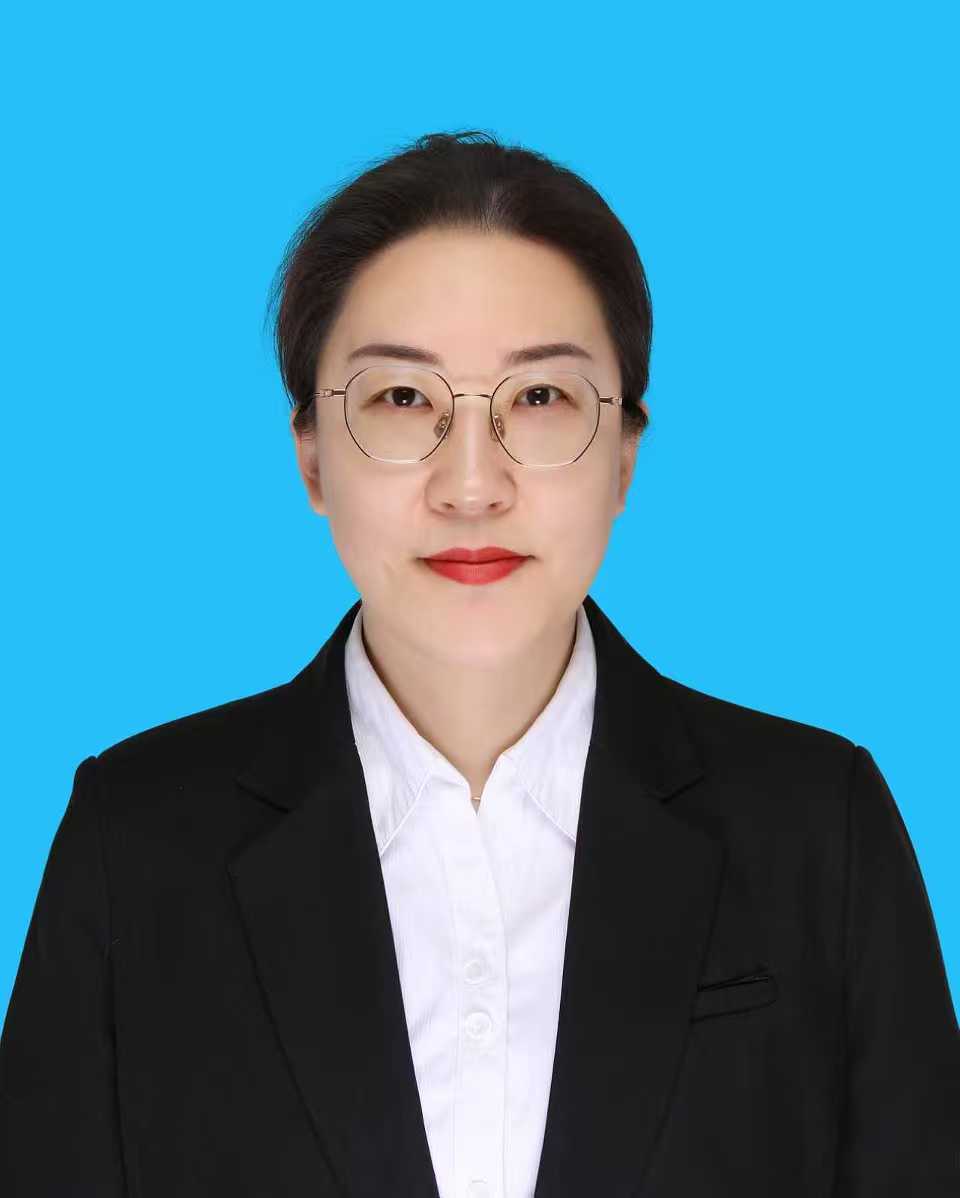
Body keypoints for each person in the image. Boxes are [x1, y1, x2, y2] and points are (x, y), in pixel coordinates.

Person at [1, 129, 957, 1197]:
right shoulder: (134, 844)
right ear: (310, 454)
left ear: (626, 453)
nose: (471, 485)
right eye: (402, 399)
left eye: (540, 400)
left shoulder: (821, 832)